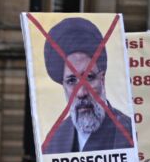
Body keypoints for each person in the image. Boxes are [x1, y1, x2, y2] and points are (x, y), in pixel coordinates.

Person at [39, 17, 134, 154]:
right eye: (71, 81)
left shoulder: (130, 135)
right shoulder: (53, 143)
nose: (82, 92)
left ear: (102, 79)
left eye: (89, 77)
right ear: (63, 86)